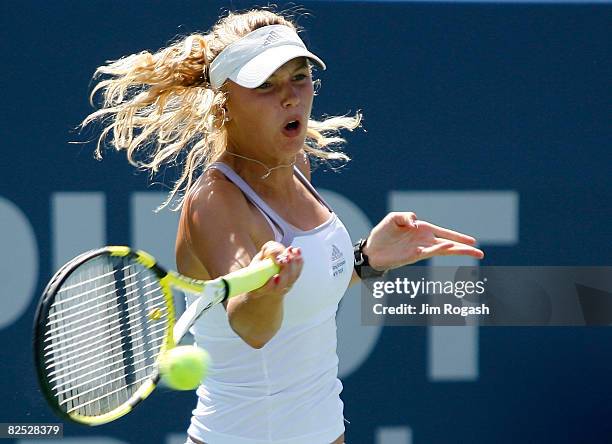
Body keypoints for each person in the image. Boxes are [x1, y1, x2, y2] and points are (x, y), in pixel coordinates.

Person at [82, 8, 484, 444]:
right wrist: (267, 289)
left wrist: (366, 259)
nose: (291, 97)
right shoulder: (216, 201)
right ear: (225, 102)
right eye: (265, 85)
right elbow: (252, 326)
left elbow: (305, 295)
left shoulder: (297, 168)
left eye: (299, 76)